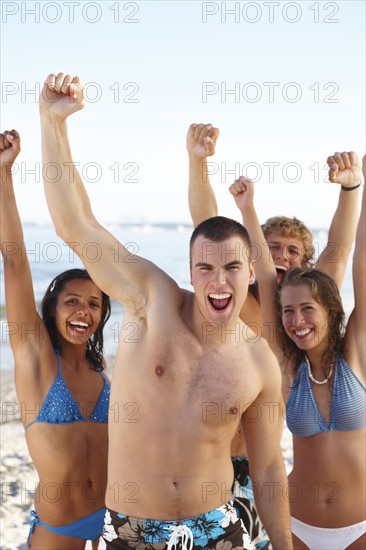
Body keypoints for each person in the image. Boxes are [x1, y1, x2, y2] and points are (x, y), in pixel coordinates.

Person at [39, 72, 293, 550]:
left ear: (250, 270)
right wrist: (53, 124)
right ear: (191, 271)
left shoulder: (258, 360)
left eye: (232, 268)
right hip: (133, 529)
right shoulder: (151, 300)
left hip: (217, 527)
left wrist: (283, 545)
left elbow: (267, 468)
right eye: (206, 268)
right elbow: (77, 226)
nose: (219, 281)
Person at [186, 122, 362, 549]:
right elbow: (210, 227)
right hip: (218, 464)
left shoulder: (325, 323)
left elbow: (344, 250)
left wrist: (352, 188)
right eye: (271, 247)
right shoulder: (237, 301)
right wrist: (203, 168)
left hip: (279, 475)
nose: (280, 256)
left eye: (292, 251)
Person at [229, 167, 365, 550]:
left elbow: (358, 259)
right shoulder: (288, 367)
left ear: (330, 311)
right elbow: (269, 278)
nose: (296, 321)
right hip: (297, 526)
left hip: (360, 527)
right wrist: (248, 210)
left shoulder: (357, 353)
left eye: (307, 309)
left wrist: (359, 186)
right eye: (288, 312)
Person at [0, 129, 111, 549]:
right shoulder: (36, 359)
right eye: (72, 302)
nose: (84, 311)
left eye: (95, 304)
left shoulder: (102, 370)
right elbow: (13, 260)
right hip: (60, 528)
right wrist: (4, 173)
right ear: (52, 308)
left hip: (114, 520)